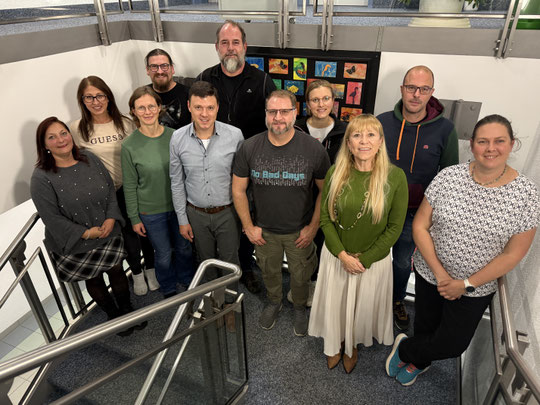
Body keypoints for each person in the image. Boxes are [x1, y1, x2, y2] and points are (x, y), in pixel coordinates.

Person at [386, 114, 539, 386]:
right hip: (430, 272)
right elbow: (420, 225)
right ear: (472, 144)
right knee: (425, 326)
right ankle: (420, 361)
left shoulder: (526, 194)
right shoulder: (449, 177)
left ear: (512, 144)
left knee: (453, 343)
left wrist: (465, 284)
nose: (490, 148)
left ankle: (407, 350)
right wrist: (440, 275)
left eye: (499, 141)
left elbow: (513, 254)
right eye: (483, 141)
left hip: (476, 287)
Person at [308, 115, 408, 373]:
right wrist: (342, 255)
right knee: (337, 305)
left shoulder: (395, 177)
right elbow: (326, 219)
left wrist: (364, 260)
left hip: (371, 262)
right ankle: (335, 343)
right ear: (348, 143)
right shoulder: (335, 172)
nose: (364, 141)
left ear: (380, 141)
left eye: (370, 135)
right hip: (337, 257)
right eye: (357, 135)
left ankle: (351, 346)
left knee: (360, 308)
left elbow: (394, 228)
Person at [31, 117, 143, 337]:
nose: (61, 140)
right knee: (94, 280)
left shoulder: (89, 158)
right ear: (44, 145)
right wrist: (85, 233)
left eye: (63, 133)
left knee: (117, 271)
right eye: (52, 137)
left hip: (108, 231)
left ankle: (127, 311)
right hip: (78, 241)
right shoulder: (41, 177)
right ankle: (113, 317)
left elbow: (110, 189)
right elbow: (50, 217)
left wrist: (111, 218)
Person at [232, 90, 330, 336]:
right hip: (264, 231)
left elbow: (325, 191)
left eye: (284, 111)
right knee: (269, 272)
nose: (278, 117)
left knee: (301, 275)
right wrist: (248, 227)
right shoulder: (249, 147)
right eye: (272, 111)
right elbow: (238, 190)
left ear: (295, 113)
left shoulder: (313, 149)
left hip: (300, 231)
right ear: (265, 114)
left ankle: (299, 307)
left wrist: (313, 227)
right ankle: (274, 302)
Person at [197, 20, 276, 294]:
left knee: (247, 217)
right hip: (213, 166)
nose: (230, 48)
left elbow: (274, 124)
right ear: (216, 47)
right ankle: (219, 267)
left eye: (235, 43)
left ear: (244, 46)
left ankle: (246, 266)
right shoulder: (204, 78)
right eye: (224, 43)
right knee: (220, 217)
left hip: (251, 168)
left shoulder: (262, 80)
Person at [377, 65, 458, 331]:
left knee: (402, 262)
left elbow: (448, 177)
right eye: (411, 87)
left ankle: (396, 300)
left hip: (415, 213)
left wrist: (434, 217)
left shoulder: (445, 129)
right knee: (372, 257)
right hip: (379, 207)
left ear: (431, 92)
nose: (416, 94)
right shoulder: (381, 122)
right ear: (402, 89)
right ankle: (370, 299)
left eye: (423, 89)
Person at [69, 75, 158, 296]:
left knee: (145, 230)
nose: (96, 101)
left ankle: (151, 269)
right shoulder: (77, 128)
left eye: (100, 95)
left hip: (134, 186)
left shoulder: (126, 122)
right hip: (107, 194)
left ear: (108, 97)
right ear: (82, 101)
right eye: (89, 97)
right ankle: (136, 272)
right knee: (127, 236)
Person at [121, 86, 194, 298]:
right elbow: (130, 185)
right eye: (141, 108)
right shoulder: (129, 146)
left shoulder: (175, 137)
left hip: (179, 206)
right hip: (151, 211)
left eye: (151, 106)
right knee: (162, 254)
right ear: (133, 111)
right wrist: (134, 217)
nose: (147, 112)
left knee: (184, 248)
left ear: (159, 107)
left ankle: (187, 278)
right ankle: (168, 286)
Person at [170, 81, 243, 276]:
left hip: (228, 212)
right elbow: (177, 182)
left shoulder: (235, 136)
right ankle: (212, 294)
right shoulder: (177, 138)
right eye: (198, 107)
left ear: (217, 107)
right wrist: (182, 220)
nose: (204, 114)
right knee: (205, 261)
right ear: (189, 107)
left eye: (210, 107)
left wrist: (247, 216)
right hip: (196, 214)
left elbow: (243, 180)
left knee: (231, 261)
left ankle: (231, 296)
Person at [292, 79, 348, 306]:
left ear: (333, 101)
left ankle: (320, 285)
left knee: (327, 243)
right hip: (300, 199)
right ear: (307, 103)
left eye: (326, 98)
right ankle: (302, 283)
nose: (321, 104)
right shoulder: (295, 128)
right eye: (315, 100)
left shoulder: (346, 131)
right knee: (302, 243)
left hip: (333, 199)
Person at [145, 48, 191, 130]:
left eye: (164, 66)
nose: (160, 72)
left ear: (172, 69)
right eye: (154, 67)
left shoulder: (189, 94)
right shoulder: (142, 96)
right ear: (147, 70)